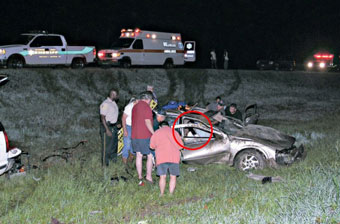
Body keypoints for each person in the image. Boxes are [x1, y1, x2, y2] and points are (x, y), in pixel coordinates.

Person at [150, 121, 183, 196]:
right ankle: (170, 194)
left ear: (160, 127)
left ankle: (162, 194)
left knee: (162, 176)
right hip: (174, 158)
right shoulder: (175, 132)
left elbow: (151, 146)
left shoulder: (157, 133)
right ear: (169, 126)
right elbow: (181, 146)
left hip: (161, 158)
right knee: (173, 176)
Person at [131, 91, 155, 186]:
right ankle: (148, 176)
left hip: (135, 135)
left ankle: (140, 176)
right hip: (144, 135)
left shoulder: (135, 106)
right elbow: (147, 122)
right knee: (149, 155)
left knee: (139, 155)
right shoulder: (146, 107)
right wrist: (153, 133)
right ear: (148, 99)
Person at [100, 89, 119, 166]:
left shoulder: (113, 103)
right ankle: (105, 165)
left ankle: (113, 162)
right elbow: (102, 118)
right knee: (106, 148)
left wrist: (116, 124)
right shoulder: (105, 104)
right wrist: (107, 130)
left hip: (113, 127)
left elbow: (112, 115)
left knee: (114, 146)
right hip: (107, 127)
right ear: (112, 94)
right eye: (116, 94)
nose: (117, 96)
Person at [121, 97, 138, 166]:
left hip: (135, 127)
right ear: (136, 100)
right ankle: (124, 163)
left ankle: (130, 160)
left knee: (133, 144)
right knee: (127, 144)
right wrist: (125, 130)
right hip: (128, 126)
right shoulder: (129, 107)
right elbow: (123, 118)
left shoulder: (139, 107)